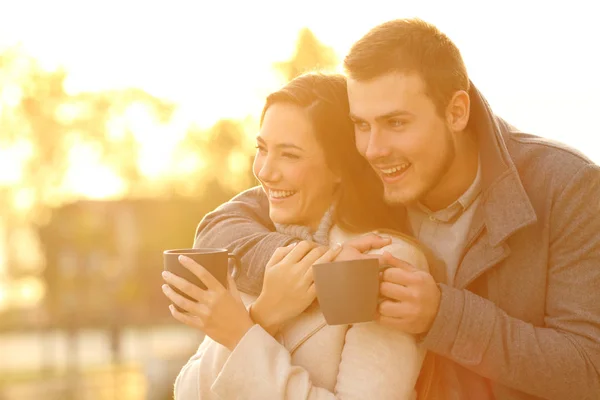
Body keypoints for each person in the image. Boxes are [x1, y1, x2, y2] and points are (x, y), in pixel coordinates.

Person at [192, 18, 600, 400]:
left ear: (456, 112)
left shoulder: (567, 187)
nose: (373, 148)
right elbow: (222, 224)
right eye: (361, 123)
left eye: (396, 123)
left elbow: (589, 370)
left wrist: (443, 315)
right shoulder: (365, 167)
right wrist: (317, 268)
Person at [163, 73, 434, 399]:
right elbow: (188, 394)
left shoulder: (383, 260)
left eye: (289, 155)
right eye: (262, 149)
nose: (264, 171)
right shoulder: (261, 250)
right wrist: (263, 317)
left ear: (339, 168)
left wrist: (242, 334)